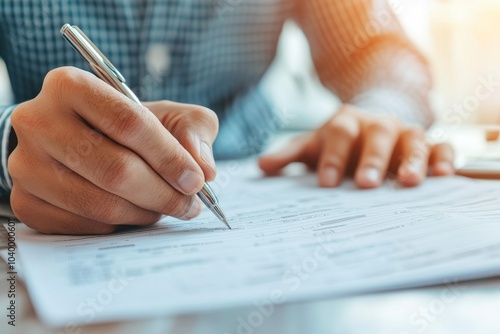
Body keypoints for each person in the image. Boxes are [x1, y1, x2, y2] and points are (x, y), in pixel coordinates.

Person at [0, 0, 454, 235]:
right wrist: (11, 143)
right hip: (45, 215)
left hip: (255, 175)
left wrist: (381, 111)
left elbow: (377, 48)